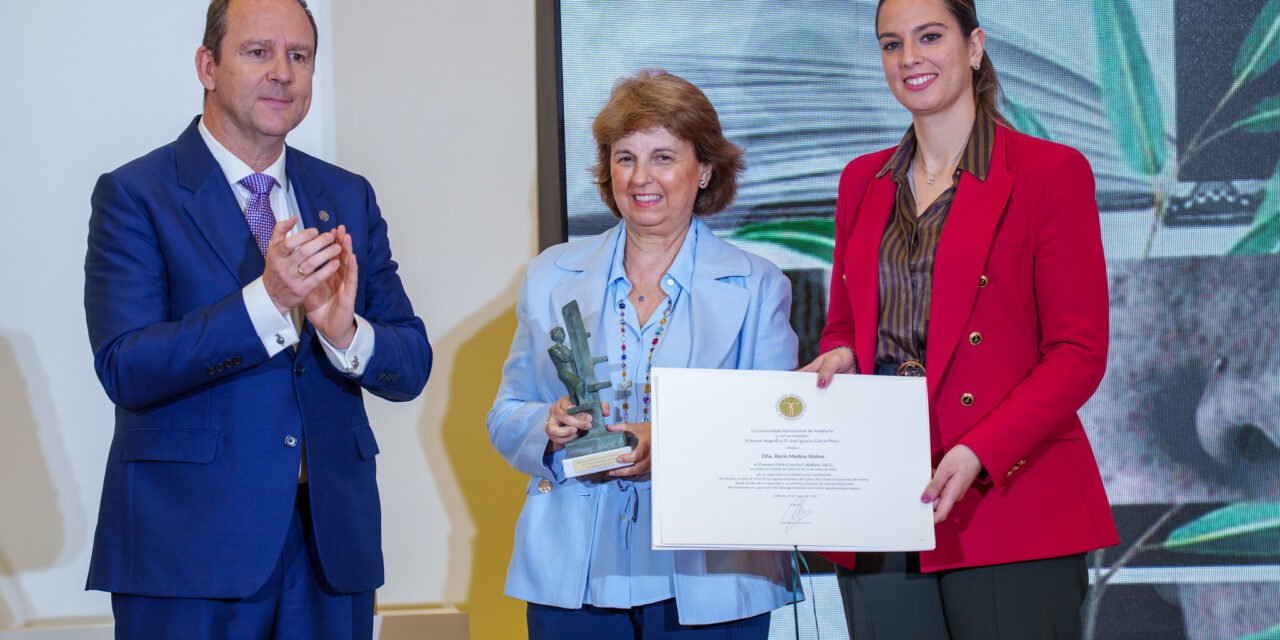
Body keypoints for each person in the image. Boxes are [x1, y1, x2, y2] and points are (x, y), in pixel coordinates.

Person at [82, 0, 432, 637]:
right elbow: (126, 366)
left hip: (330, 547)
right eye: (258, 52)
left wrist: (341, 332)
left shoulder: (346, 194)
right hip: (187, 549)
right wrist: (267, 303)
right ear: (206, 65)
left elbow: (410, 363)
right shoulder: (136, 194)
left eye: (299, 56)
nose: (282, 72)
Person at [799, 0, 1118, 637]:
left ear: (974, 46)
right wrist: (841, 353)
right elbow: (845, 323)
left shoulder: (1050, 172)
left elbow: (1078, 352)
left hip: (1006, 497)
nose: (909, 58)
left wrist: (978, 450)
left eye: (929, 36)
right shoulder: (862, 181)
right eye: (891, 44)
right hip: (881, 492)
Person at [487, 69, 799, 639]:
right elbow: (506, 414)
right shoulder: (547, 276)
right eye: (625, 157)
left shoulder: (759, 285)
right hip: (571, 580)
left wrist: (673, 447)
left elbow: (772, 442)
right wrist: (546, 426)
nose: (641, 177)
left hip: (713, 580)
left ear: (704, 169)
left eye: (663, 156)